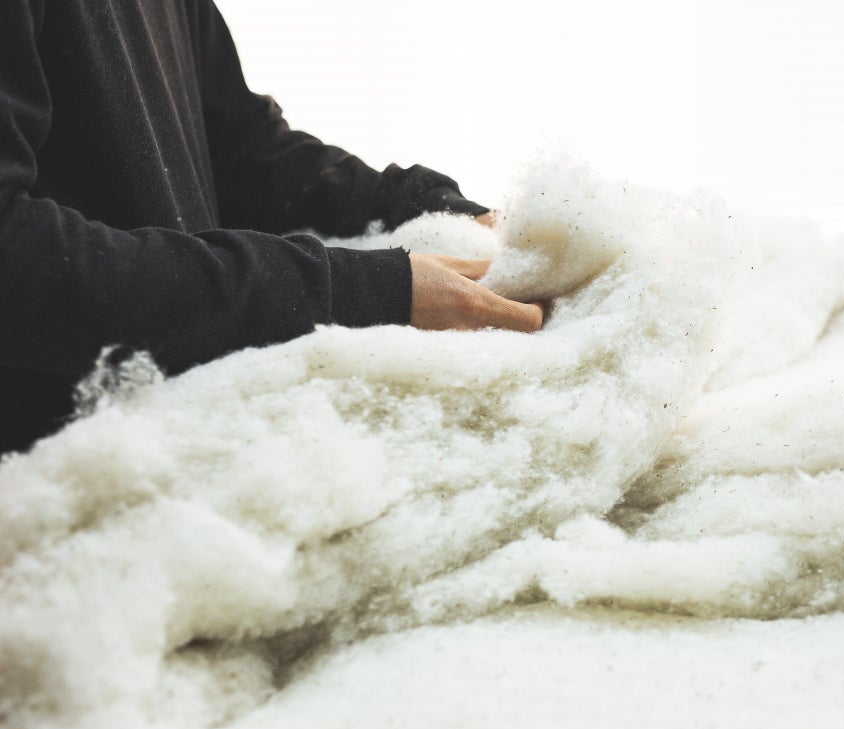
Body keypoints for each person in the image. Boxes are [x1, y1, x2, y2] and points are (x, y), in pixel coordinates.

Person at [0, 0, 543, 455]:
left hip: (176, 464)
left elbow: (237, 147)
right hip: (52, 496)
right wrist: (355, 293)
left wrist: (432, 208)